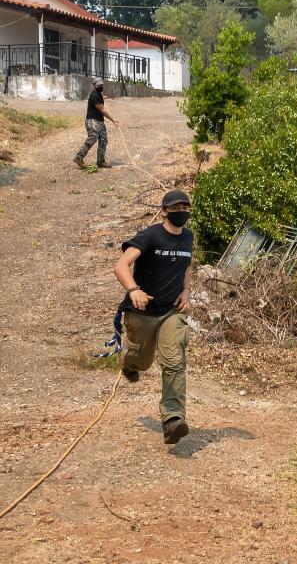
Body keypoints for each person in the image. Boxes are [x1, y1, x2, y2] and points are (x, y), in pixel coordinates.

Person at [114, 189, 195, 444]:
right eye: (175, 208)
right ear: (163, 211)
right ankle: (129, 363)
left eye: (185, 208)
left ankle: (173, 419)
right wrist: (134, 290)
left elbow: (186, 266)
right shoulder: (150, 236)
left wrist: (186, 291)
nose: (180, 212)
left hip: (172, 311)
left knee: (174, 361)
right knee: (142, 360)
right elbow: (120, 265)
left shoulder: (188, 238)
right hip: (142, 312)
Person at [74, 78, 118, 169]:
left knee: (103, 140)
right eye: (98, 85)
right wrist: (113, 119)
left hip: (99, 121)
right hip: (92, 121)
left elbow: (102, 106)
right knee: (92, 139)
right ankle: (79, 157)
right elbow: (102, 109)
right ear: (94, 85)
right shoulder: (94, 95)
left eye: (102, 85)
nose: (101, 87)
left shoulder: (98, 94)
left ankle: (100, 162)